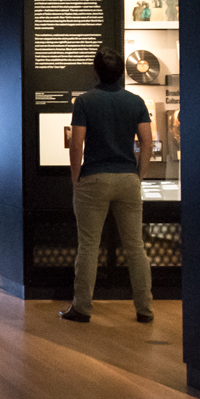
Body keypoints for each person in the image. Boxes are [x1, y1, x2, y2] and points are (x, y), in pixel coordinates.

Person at [62, 46, 155, 325]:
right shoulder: (136, 101)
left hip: (94, 178)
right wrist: (139, 175)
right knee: (135, 247)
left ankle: (82, 308)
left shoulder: (85, 102)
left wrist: (76, 179)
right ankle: (145, 309)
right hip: (128, 178)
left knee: (89, 246)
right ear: (120, 72)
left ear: (96, 71)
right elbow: (147, 141)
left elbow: (77, 142)